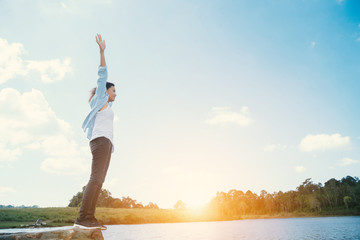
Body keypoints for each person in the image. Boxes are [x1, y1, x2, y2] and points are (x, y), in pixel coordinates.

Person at [74, 34, 117, 230]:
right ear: (106, 91)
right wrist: (102, 51)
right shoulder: (100, 100)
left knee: (100, 180)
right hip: (100, 142)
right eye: (113, 90)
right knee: (95, 178)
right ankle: (83, 217)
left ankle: (89, 218)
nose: (115, 93)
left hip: (105, 144)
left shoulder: (106, 106)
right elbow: (102, 75)